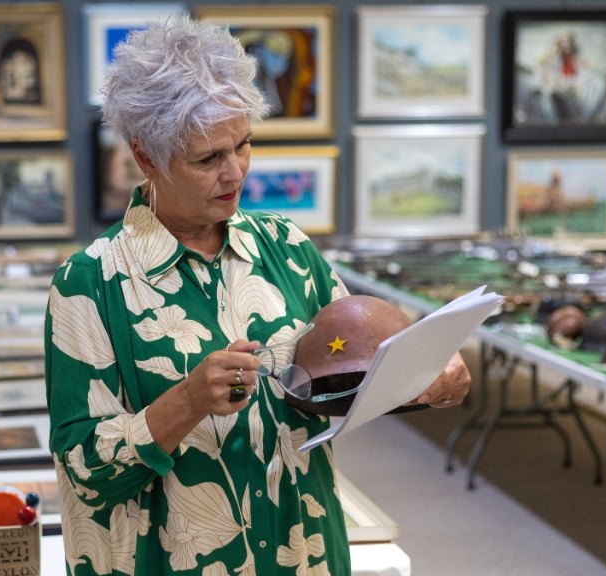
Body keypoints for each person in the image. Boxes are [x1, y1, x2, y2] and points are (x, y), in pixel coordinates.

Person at [44, 16, 470, 575]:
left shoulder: (287, 248)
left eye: (243, 145)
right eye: (207, 159)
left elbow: (356, 375)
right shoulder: (89, 284)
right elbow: (85, 472)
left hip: (304, 553)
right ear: (146, 158)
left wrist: (427, 375)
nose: (235, 171)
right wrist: (187, 401)